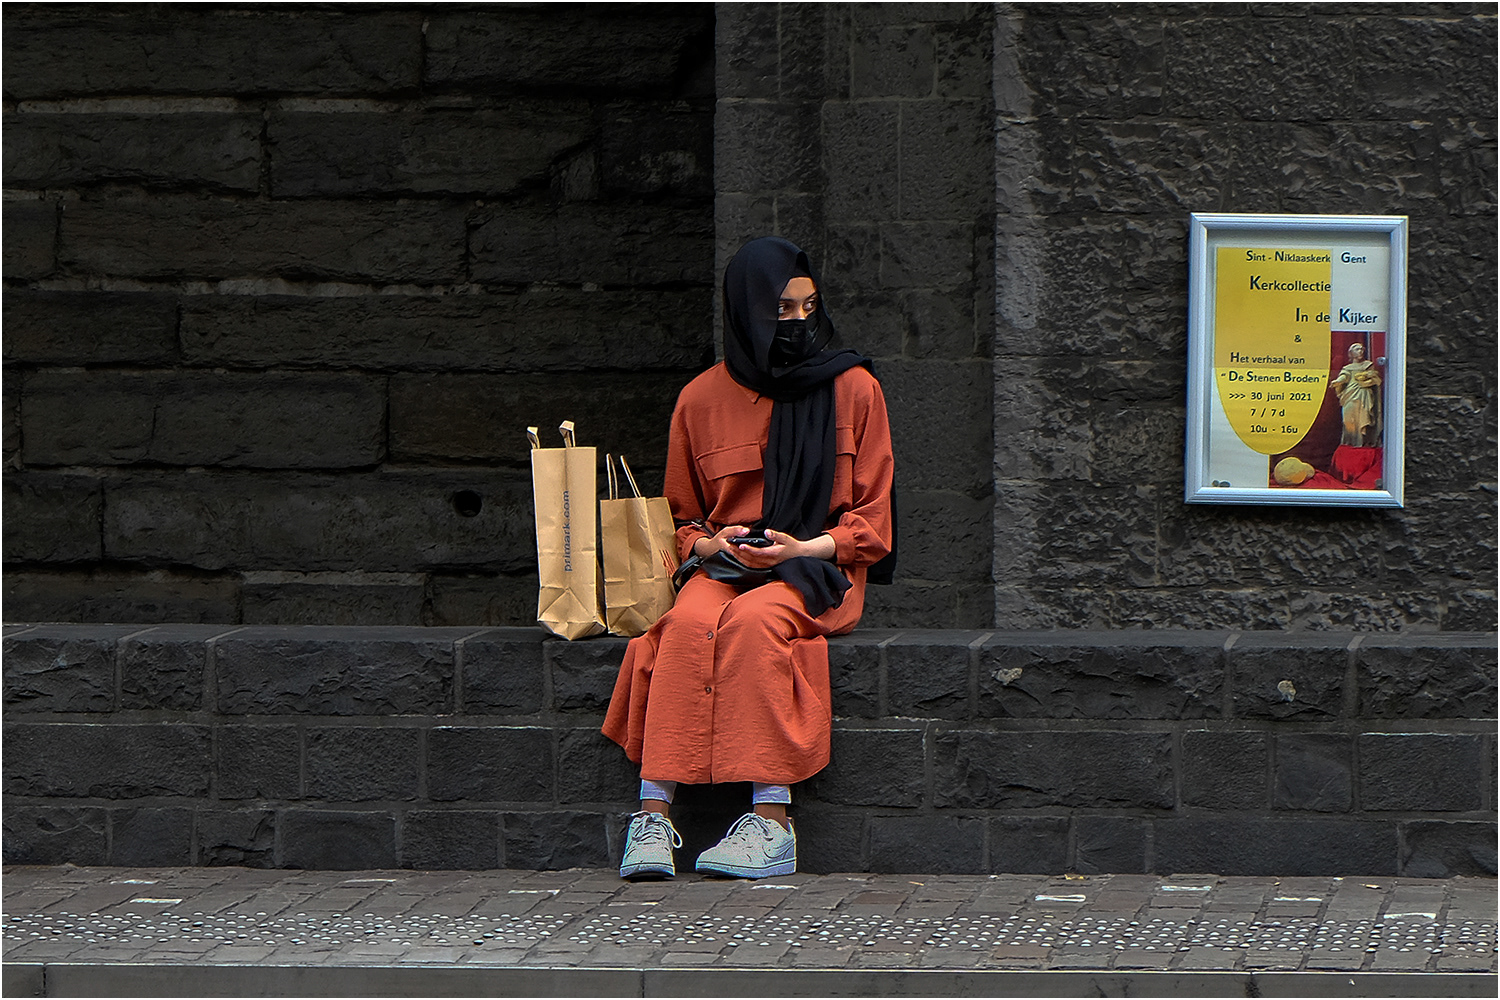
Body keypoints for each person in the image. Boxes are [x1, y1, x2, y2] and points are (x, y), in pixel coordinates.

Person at [601, 236, 895, 880]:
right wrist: (712, 545)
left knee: (756, 624)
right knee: (681, 627)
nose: (797, 324)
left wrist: (799, 547)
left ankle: (772, 823)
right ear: (745, 313)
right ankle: (653, 818)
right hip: (727, 565)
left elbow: (873, 527)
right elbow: (683, 521)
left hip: (817, 568)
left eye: (808, 309)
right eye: (780, 312)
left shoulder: (855, 389)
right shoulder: (700, 400)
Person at [1330, 341, 1382, 447]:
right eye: (1357, 349)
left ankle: (1363, 442)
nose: (1361, 351)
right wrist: (1338, 381)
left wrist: (1368, 380)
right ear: (1351, 353)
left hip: (1364, 395)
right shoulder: (1347, 368)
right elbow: (1344, 377)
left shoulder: (1368, 365)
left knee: (1363, 419)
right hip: (1350, 395)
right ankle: (1350, 441)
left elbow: (1376, 380)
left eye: (1362, 349)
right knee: (1348, 419)